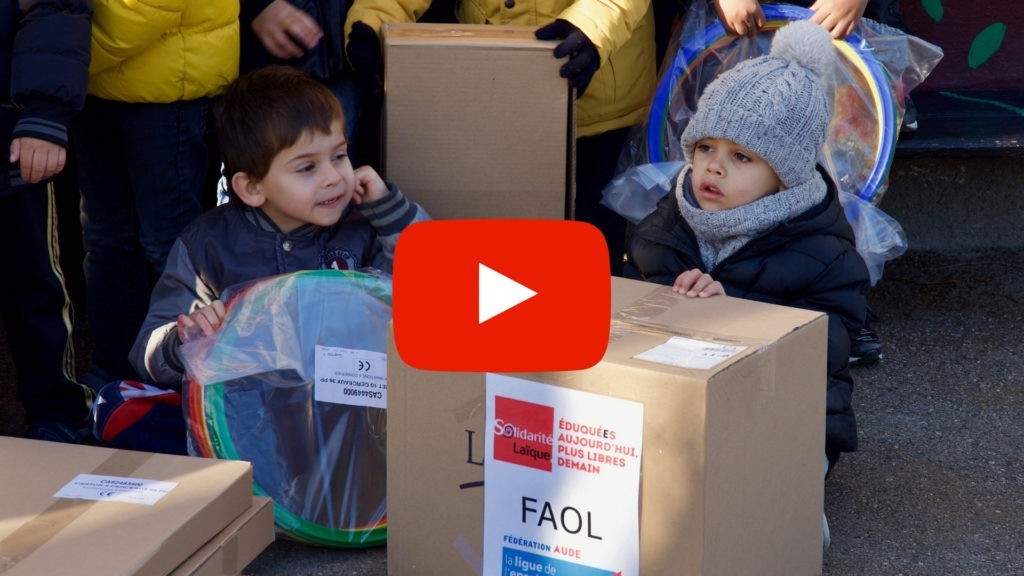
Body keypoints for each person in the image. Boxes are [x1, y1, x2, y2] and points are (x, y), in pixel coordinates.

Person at [91, 66, 428, 452]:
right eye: (307, 167)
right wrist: (186, 338)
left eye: (340, 155)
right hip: (247, 420)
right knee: (119, 404)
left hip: (348, 411)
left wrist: (391, 213)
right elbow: (147, 352)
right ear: (251, 187)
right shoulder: (208, 244)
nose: (334, 177)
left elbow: (433, 285)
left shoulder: (362, 227)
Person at [626, 20, 869, 476]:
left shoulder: (825, 250)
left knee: (771, 467)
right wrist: (667, 302)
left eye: (741, 157)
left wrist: (733, 313)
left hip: (781, 410)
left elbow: (829, 346)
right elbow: (639, 290)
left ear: (784, 176)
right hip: (682, 397)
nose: (713, 168)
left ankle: (790, 512)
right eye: (705, 148)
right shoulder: (670, 219)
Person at [343, 0, 656, 275]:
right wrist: (373, 19)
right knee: (490, 258)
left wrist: (591, 28)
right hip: (489, 106)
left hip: (595, 111)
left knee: (591, 262)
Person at [73, 1, 239, 389]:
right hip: (100, 82)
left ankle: (183, 382)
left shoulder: (76, 61)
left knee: (170, 247)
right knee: (107, 241)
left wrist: (66, 58)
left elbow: (148, 7)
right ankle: (114, 376)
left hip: (165, 88)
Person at [2, 0, 96, 443]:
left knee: (33, 282)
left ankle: (59, 414)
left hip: (12, 133)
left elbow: (56, 8)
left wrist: (43, 113)